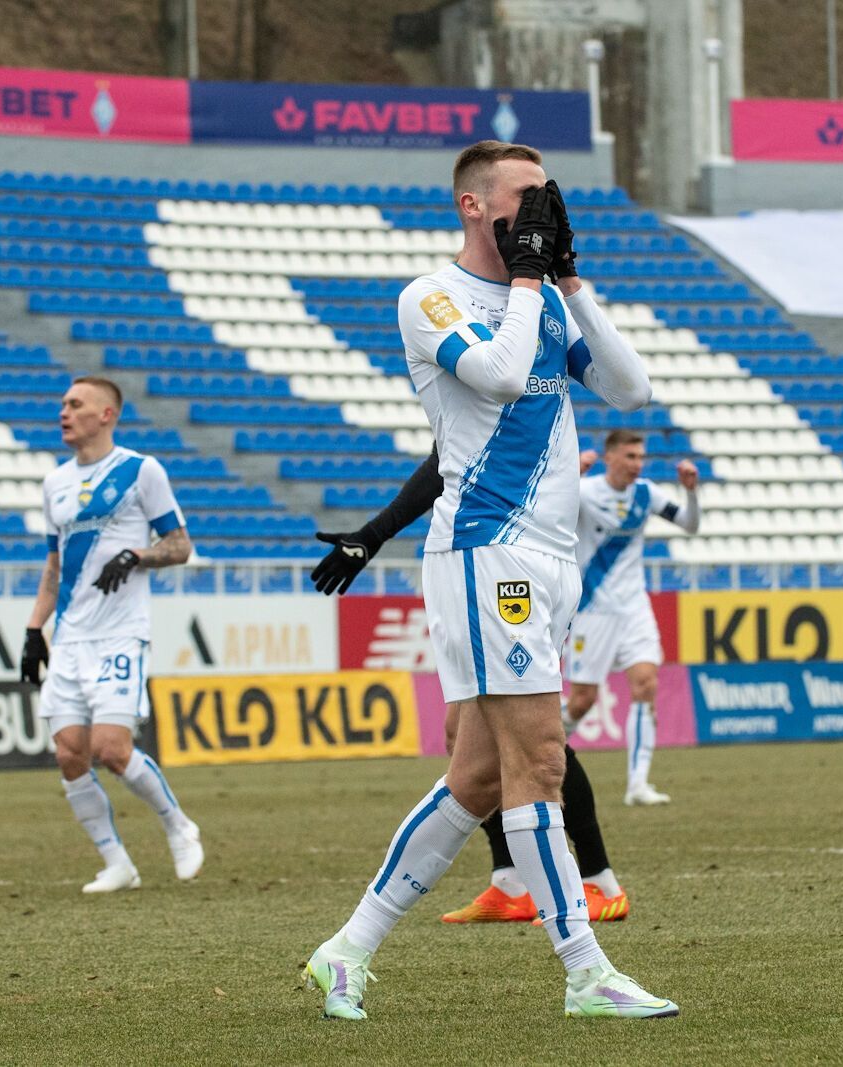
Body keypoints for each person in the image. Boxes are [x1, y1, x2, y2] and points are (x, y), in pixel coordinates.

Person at [304, 140, 677, 1021]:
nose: (542, 213)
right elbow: (503, 377)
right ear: (475, 206)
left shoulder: (545, 298)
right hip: (487, 550)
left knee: (476, 777)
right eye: (526, 198)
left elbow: (633, 389)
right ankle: (586, 969)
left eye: (550, 200)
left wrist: (571, 282)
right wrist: (527, 283)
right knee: (541, 760)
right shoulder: (431, 297)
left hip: (552, 560)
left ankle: (345, 949)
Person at [312, 449, 629, 926]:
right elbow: (445, 463)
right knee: (464, 735)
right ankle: (510, 881)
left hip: (513, 565)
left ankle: (599, 880)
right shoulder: (472, 400)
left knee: (529, 732)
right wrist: (373, 534)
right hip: (472, 565)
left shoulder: (513, 383)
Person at [19, 376, 204, 894]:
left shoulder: (140, 471)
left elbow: (180, 545)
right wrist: (35, 630)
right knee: (69, 752)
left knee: (111, 748)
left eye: (75, 404)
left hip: (121, 633)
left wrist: (137, 555)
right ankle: (117, 862)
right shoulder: (53, 483)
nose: (64, 411)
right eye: (62, 404)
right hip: (71, 636)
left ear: (106, 414)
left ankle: (178, 825)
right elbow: (53, 566)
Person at [569, 431, 700, 806]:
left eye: (640, 456)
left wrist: (690, 490)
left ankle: (638, 784)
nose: (636, 463)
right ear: (610, 457)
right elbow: (545, 514)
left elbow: (689, 525)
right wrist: (570, 475)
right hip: (593, 609)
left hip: (634, 608)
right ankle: (539, 752)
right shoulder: (585, 492)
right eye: (629, 456)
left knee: (646, 684)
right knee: (582, 702)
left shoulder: (646, 493)